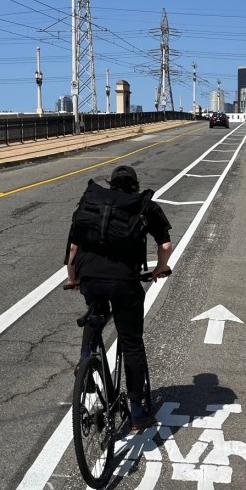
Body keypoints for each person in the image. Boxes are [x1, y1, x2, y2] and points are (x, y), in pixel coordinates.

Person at [66, 165, 173, 431]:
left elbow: (73, 248)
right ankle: (136, 411)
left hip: (89, 274)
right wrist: (160, 268)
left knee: (95, 312)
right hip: (124, 281)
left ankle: (84, 361)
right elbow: (166, 245)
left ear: (111, 184)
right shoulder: (144, 205)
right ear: (135, 185)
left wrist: (73, 278)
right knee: (131, 343)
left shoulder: (92, 200)